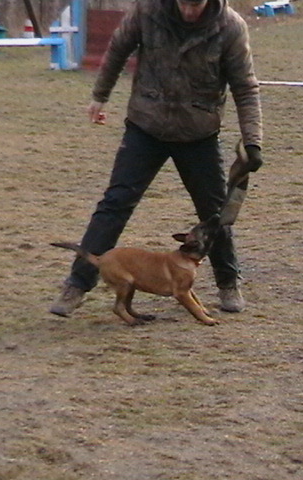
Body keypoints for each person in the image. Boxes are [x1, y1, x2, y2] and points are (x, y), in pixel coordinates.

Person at [50, 0, 263, 317]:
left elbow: (245, 87)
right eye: (184, 4)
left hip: (198, 133)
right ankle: (77, 285)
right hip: (146, 126)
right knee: (115, 203)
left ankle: (228, 283)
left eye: (197, 5)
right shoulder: (147, 12)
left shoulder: (230, 27)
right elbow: (118, 49)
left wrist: (253, 142)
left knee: (215, 214)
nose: (189, 11)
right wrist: (100, 95)